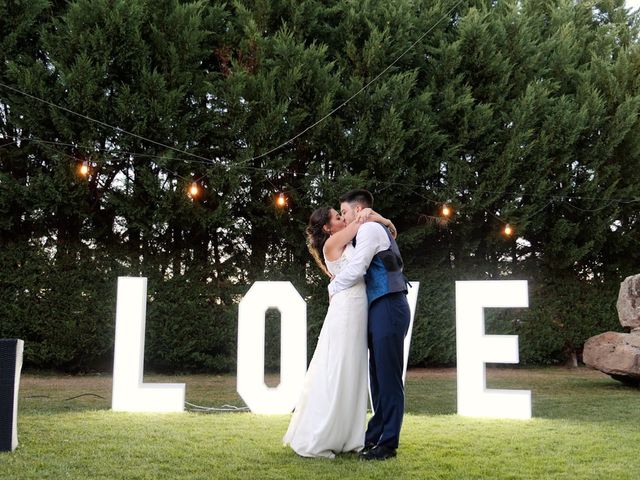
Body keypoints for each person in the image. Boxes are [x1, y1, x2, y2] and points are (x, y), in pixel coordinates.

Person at [283, 205, 396, 458]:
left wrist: (381, 218)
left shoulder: (347, 241)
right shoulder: (331, 244)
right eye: (337, 217)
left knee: (353, 371)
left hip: (358, 307)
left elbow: (384, 235)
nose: (342, 219)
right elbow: (358, 223)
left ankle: (348, 437)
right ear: (327, 227)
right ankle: (323, 435)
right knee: (338, 368)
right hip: (346, 308)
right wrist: (367, 214)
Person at [328, 189, 410, 461]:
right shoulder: (372, 226)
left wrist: (333, 287)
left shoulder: (370, 229)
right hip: (378, 307)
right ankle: (374, 435)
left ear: (359, 209)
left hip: (389, 304)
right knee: (377, 378)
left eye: (345, 212)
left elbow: (359, 267)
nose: (344, 217)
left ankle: (388, 444)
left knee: (388, 379)